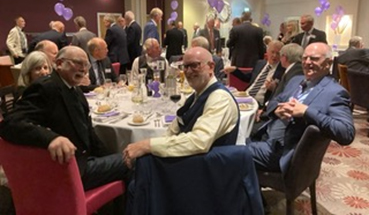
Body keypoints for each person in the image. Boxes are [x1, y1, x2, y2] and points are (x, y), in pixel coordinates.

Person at [0, 46, 129, 191]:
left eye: (86, 65)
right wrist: (51, 138)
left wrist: (111, 157)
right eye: (78, 63)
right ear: (59, 63)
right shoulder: (45, 87)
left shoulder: (75, 89)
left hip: (83, 161)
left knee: (130, 157)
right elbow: (10, 124)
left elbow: (89, 134)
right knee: (138, 161)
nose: (84, 69)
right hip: (68, 170)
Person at [248, 42, 355, 175]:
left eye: (314, 59)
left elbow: (346, 133)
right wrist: (276, 109)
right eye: (305, 58)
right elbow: (275, 100)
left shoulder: (335, 92)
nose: (307, 62)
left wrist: (306, 111)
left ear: (328, 63)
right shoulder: (296, 80)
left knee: (225, 152)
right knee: (229, 138)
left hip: (282, 152)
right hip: (264, 135)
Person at [123, 46, 240, 167]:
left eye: (195, 65)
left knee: (139, 165)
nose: (188, 71)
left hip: (208, 171)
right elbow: (172, 131)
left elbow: (199, 141)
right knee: (138, 162)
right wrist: (148, 147)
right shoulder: (195, 96)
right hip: (191, 163)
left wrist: (148, 146)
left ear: (211, 67)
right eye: (185, 66)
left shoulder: (220, 98)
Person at [224, 40, 285, 107]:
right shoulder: (260, 63)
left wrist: (274, 88)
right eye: (272, 52)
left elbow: (282, 92)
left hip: (260, 104)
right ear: (267, 52)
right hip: (246, 97)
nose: (274, 55)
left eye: (278, 53)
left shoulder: (282, 71)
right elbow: (248, 78)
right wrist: (235, 70)